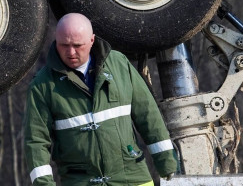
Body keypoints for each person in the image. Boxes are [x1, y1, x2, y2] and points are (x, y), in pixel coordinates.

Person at [24, 13, 178, 186]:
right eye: (64, 45)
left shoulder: (119, 65)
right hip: (81, 181)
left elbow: (148, 114)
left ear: (91, 40)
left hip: (132, 178)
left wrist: (166, 161)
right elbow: (36, 140)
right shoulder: (42, 85)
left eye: (77, 45)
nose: (71, 52)